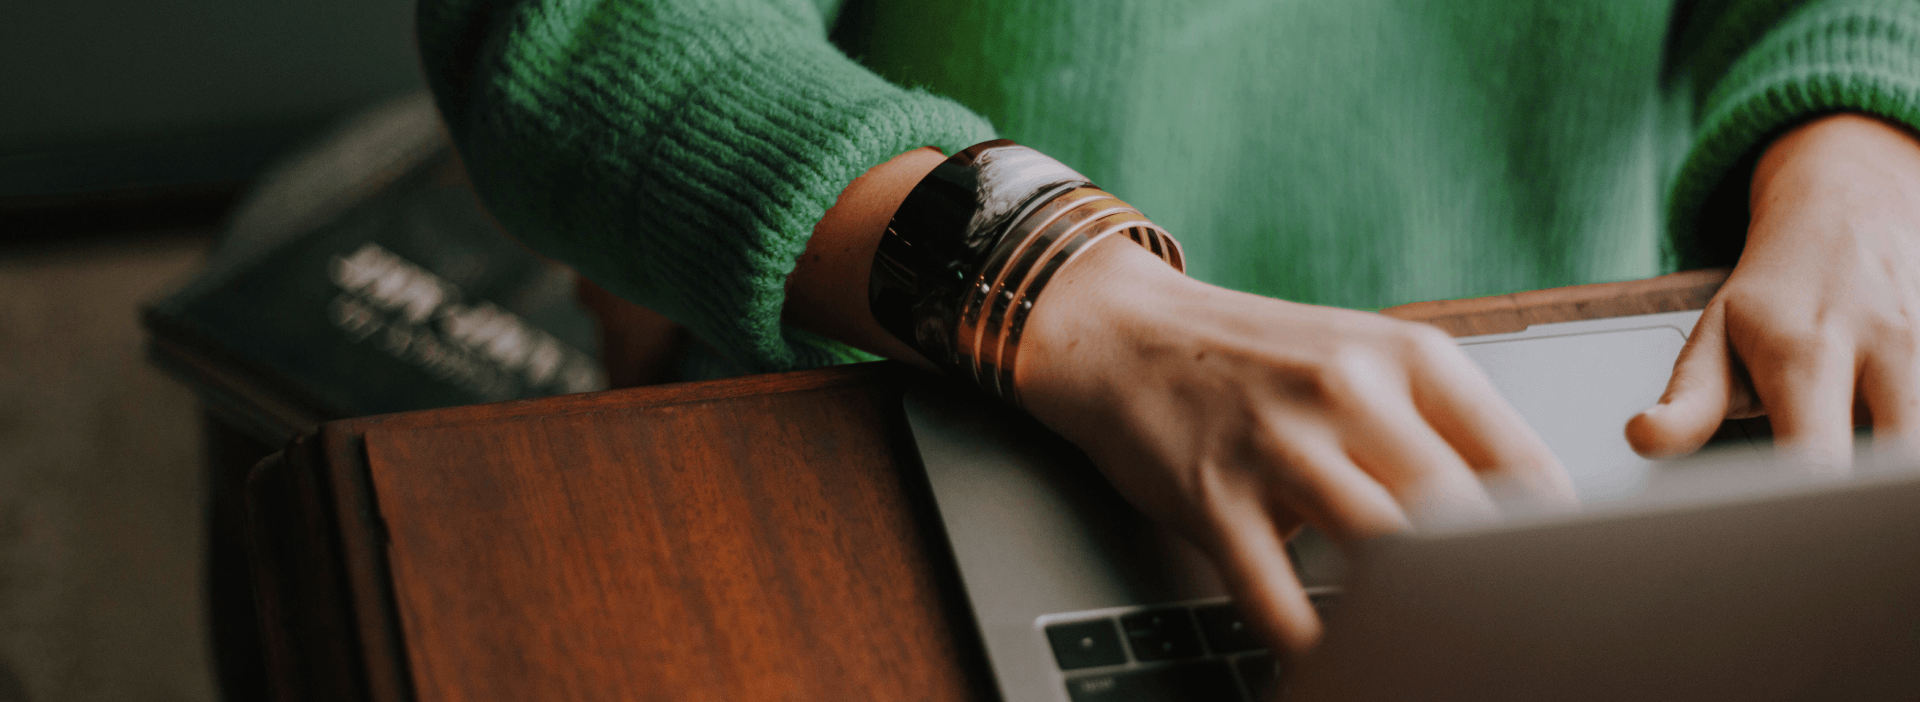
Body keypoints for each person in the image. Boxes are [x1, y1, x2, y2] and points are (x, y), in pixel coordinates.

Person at [416, 0, 1920, 653]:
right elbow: (573, 33)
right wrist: (1068, 288)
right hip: (926, 415)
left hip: (1600, 420)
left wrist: (1860, 144)